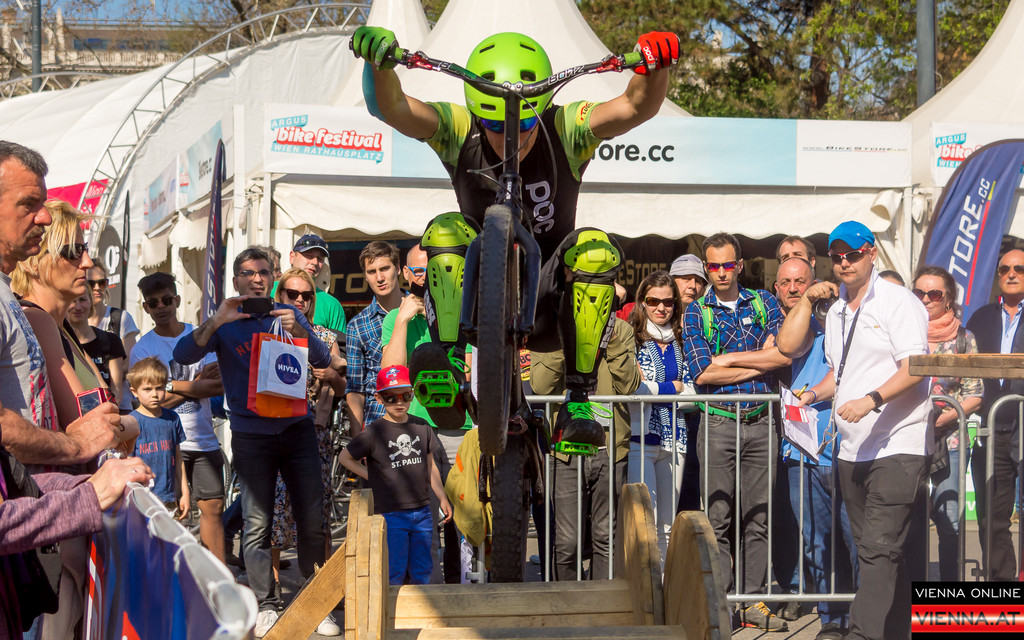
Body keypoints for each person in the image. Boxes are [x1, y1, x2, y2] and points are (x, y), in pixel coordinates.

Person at [353, 26, 678, 451]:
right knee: (446, 227)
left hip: (549, 300)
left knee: (595, 248)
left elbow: (635, 105)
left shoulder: (565, 125)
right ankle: (448, 362)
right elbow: (391, 106)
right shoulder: (458, 127)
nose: (510, 136)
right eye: (493, 123)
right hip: (478, 298)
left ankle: (578, 401)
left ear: (539, 109)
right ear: (477, 112)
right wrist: (377, 63)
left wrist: (655, 64)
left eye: (524, 123)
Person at [778, 221, 929, 640]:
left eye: (853, 254)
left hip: (898, 445)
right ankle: (899, 630)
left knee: (878, 551)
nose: (845, 262)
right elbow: (839, 373)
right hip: (851, 450)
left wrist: (871, 400)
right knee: (874, 552)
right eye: (837, 256)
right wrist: (812, 394)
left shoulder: (898, 301)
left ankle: (862, 634)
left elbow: (916, 367)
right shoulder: (838, 311)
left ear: (872, 253)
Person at [173, 246, 334, 637]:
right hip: (250, 435)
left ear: (273, 278)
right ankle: (266, 603)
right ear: (236, 280)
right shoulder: (227, 321)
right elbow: (182, 354)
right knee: (257, 524)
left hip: (297, 430)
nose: (257, 279)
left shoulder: (289, 314)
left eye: (264, 272)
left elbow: (323, 359)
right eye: (248, 273)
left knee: (313, 520)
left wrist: (301, 331)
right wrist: (216, 320)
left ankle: (316, 601)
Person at [680, 232, 790, 631]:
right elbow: (702, 373)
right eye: (713, 266)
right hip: (718, 422)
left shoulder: (763, 301)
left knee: (758, 517)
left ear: (740, 265)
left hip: (761, 420)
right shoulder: (696, 312)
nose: (721, 272)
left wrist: (728, 361)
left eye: (728, 265)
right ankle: (721, 601)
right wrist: (760, 361)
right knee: (717, 518)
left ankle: (753, 601)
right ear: (706, 268)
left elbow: (784, 354)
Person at [10, 200, 139, 454]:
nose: (87, 262)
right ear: (35, 260)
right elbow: (91, 429)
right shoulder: (38, 321)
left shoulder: (61, 327)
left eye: (85, 249)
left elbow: (106, 415)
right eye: (73, 251)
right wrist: (135, 424)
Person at [774, 257, 857, 639]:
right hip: (803, 452)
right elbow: (788, 345)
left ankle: (863, 616)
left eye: (802, 282)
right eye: (787, 283)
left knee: (856, 541)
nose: (794, 288)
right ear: (778, 289)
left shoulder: (843, 318)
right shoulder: (795, 324)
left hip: (849, 448)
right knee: (816, 544)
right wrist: (807, 300)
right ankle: (831, 620)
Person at [130, 271, 226, 563]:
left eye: (167, 300)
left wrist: (169, 386)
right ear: (146, 307)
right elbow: (151, 402)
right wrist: (195, 384)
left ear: (177, 300)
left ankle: (218, 577)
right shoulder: (142, 349)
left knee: (214, 508)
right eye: (154, 302)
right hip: (162, 441)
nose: (161, 307)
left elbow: (217, 386)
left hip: (203, 438)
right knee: (167, 515)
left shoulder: (199, 336)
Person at [269, 267, 346, 625]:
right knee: (273, 514)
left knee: (316, 517)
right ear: (280, 296)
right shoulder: (267, 331)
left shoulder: (325, 336)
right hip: (273, 431)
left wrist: (330, 374)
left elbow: (342, 385)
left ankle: (320, 596)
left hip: (314, 433)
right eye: (292, 294)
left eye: (306, 295)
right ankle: (271, 597)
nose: (299, 300)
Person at [338, 365, 453, 585]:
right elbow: (345, 457)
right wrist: (373, 475)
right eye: (391, 398)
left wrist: (442, 497)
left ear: (412, 394)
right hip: (390, 513)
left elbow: (431, 467)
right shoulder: (374, 432)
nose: (399, 402)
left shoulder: (422, 426)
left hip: (422, 510)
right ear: (379, 398)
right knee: (393, 571)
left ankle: (419, 608)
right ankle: (393, 608)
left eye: (405, 396)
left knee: (423, 571)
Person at [912, 265, 981, 582]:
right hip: (907, 441)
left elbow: (975, 394)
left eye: (934, 293)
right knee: (908, 524)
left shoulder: (964, 339)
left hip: (949, 442)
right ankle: (909, 597)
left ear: (949, 299)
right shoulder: (903, 334)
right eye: (919, 292)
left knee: (949, 521)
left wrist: (945, 417)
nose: (926, 299)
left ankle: (948, 596)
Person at [966, 249, 1024, 582]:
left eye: (1019, 268)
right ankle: (1002, 589)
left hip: (1023, 424)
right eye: (1004, 269)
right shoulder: (981, 317)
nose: (1011, 274)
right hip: (992, 428)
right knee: (991, 517)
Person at [625, 271, 692, 561]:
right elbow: (632, 389)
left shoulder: (684, 339)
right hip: (640, 440)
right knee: (644, 523)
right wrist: (673, 387)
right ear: (642, 301)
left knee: (667, 525)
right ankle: (645, 583)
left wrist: (655, 389)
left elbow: (694, 391)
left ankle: (663, 583)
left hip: (676, 439)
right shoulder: (631, 339)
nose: (661, 308)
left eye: (668, 302)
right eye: (653, 301)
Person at [346, 240, 403, 429]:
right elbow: (355, 389)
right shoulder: (357, 325)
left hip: (419, 415)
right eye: (372, 271)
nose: (379, 278)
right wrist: (358, 439)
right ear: (365, 276)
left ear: (398, 268)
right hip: (378, 424)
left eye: (385, 268)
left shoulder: (421, 310)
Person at [126, 357, 185, 510]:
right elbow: (128, 462)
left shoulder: (172, 418)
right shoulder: (131, 422)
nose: (154, 394)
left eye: (159, 388)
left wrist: (185, 492)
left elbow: (178, 457)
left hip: (169, 496)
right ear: (134, 392)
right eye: (147, 389)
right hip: (141, 498)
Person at [270, 234, 347, 340]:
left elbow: (339, 346)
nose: (315, 262)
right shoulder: (268, 290)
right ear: (292, 257)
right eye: (309, 255)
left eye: (320, 258)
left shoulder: (332, 305)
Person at [86, 259, 139, 412]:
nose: (97, 288)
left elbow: (129, 363)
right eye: (91, 284)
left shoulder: (120, 318)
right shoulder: (75, 320)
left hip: (121, 405)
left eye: (102, 283)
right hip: (87, 404)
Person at [67, 291, 126, 408]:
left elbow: (116, 391)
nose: (78, 307)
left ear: (91, 302)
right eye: (72, 301)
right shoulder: (61, 343)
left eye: (82, 300)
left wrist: (108, 410)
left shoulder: (111, 340)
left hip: (107, 410)